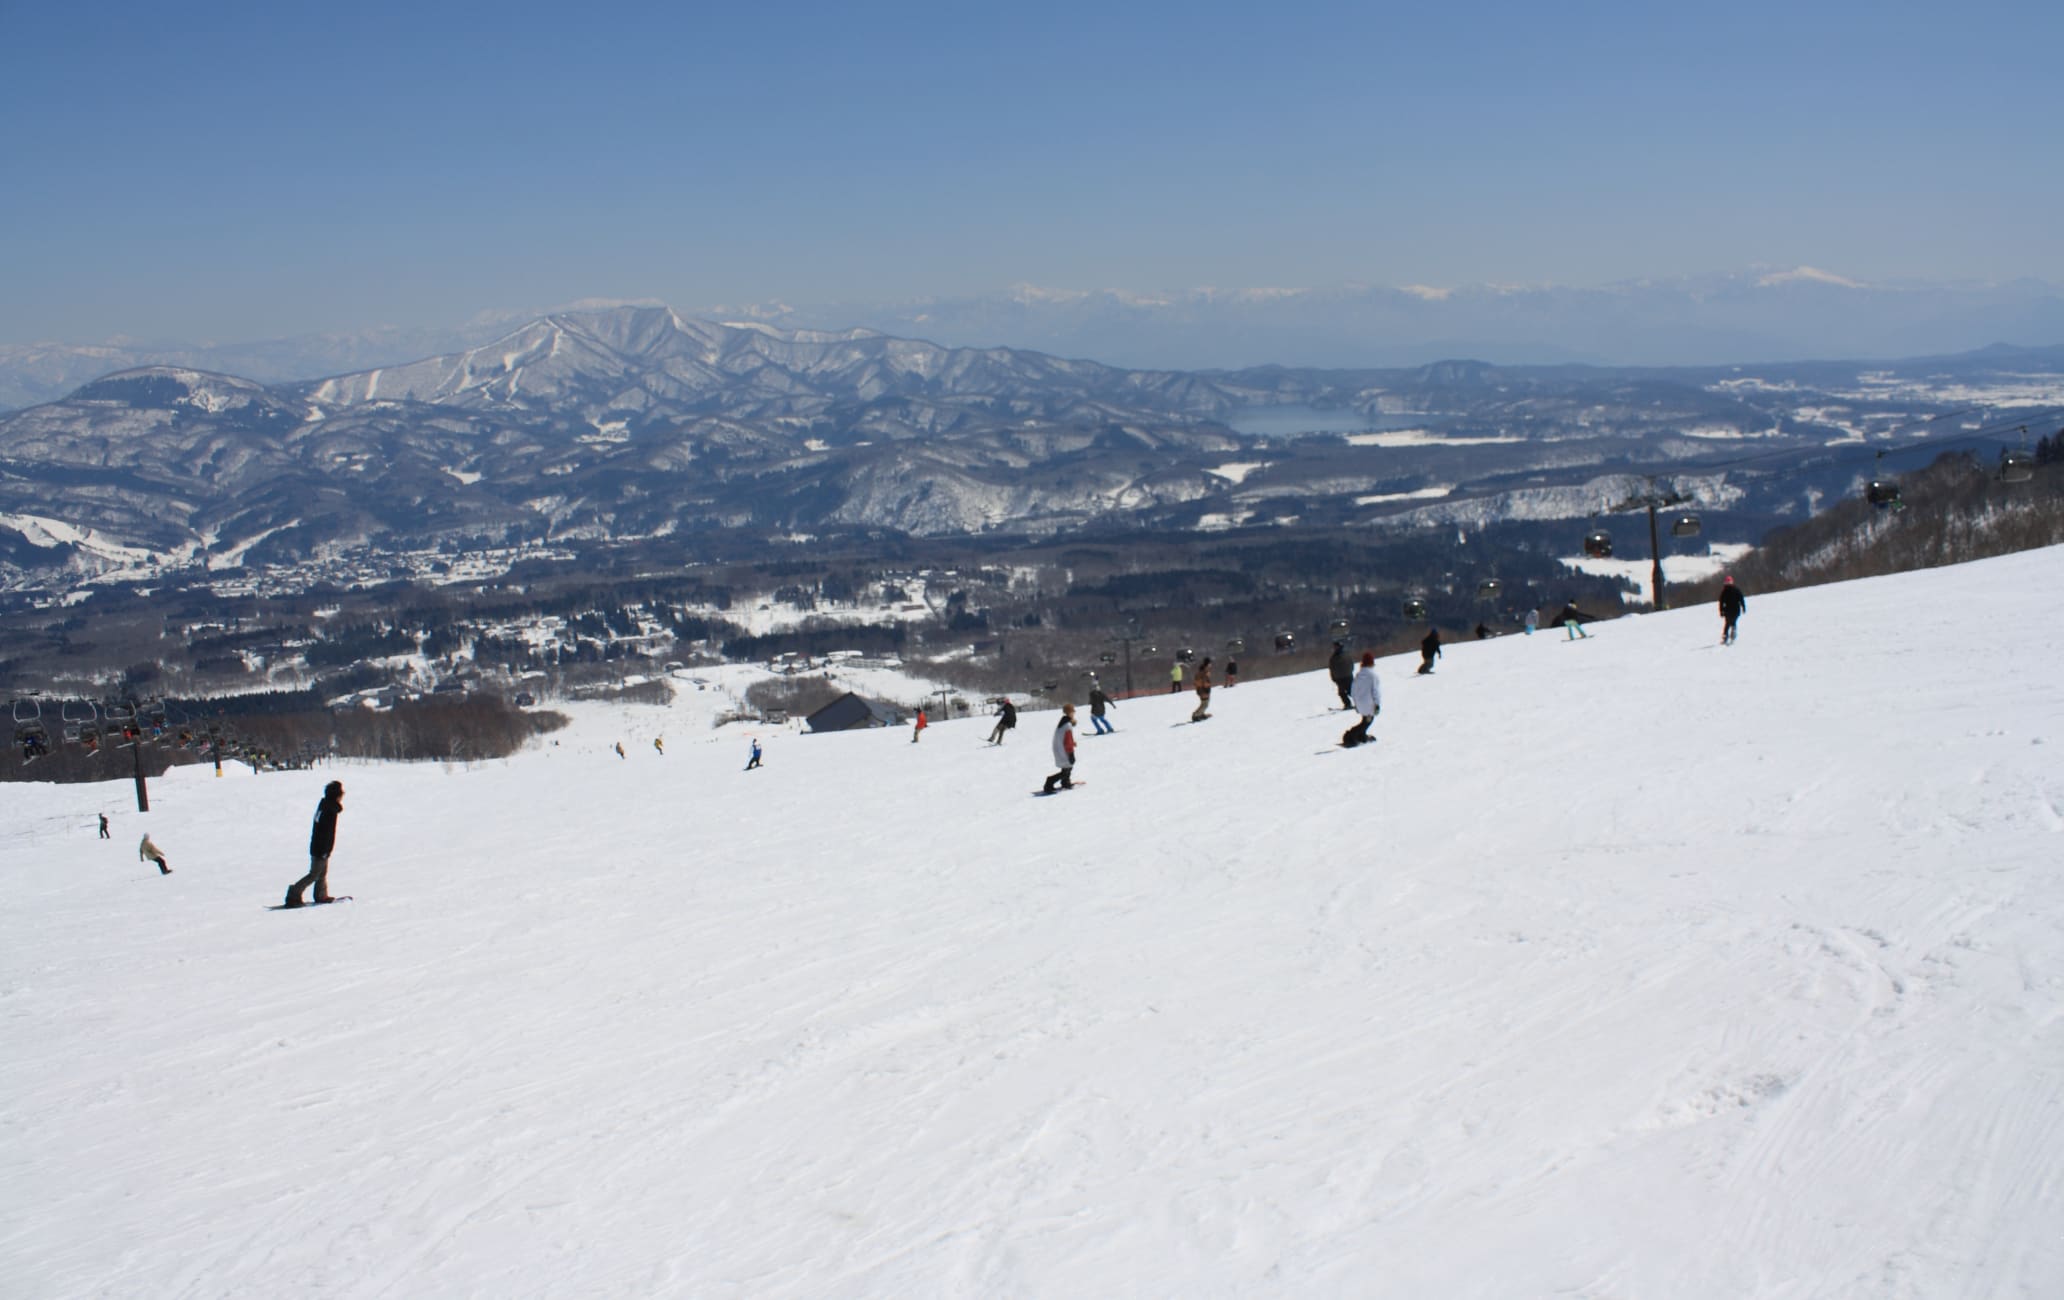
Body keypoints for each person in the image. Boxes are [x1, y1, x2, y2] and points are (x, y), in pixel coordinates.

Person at [285, 780, 345, 907]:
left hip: (320, 846)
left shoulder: (325, 806)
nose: (342, 797)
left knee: (322, 872)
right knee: (314, 874)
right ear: (336, 795)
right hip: (320, 847)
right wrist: (324, 850)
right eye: (341, 794)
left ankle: (321, 895)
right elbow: (325, 832)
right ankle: (293, 894)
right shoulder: (330, 810)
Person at [1342, 651, 1382, 746]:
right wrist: (1377, 704)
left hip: (1360, 704)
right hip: (1370, 704)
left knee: (1365, 720)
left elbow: (1353, 691)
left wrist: (1356, 703)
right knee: (1367, 722)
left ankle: (1361, 736)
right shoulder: (1373, 676)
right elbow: (1376, 692)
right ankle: (1350, 736)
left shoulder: (1358, 675)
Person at [1043, 704, 1078, 792]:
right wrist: (1071, 754)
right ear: (1070, 713)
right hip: (1064, 750)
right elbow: (1067, 741)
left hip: (1059, 748)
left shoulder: (1063, 723)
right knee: (1067, 768)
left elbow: (1064, 738)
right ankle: (1049, 782)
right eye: (1073, 711)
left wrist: (1072, 743)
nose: (1074, 713)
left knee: (1066, 767)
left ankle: (1065, 782)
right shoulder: (1067, 725)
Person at [1719, 575, 1747, 645]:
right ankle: (1733, 634)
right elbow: (1741, 599)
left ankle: (1725, 637)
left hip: (1727, 610)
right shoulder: (1736, 590)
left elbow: (1721, 602)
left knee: (1727, 623)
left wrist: (1721, 611)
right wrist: (1743, 607)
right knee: (1733, 622)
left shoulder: (1724, 591)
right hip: (1736, 610)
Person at [1328, 641, 1354, 709]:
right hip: (1343, 677)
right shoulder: (1345, 655)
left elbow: (1332, 668)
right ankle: (1349, 704)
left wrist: (1333, 677)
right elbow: (1332, 668)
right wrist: (1333, 677)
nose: (1334, 648)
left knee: (1349, 692)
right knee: (1344, 692)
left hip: (1344, 677)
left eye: (1336, 646)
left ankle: (1352, 703)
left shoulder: (1335, 657)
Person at [1191, 656, 1213, 721]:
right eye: (1210, 663)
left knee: (1205, 703)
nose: (1211, 665)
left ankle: (1201, 714)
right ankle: (1196, 715)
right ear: (1208, 664)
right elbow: (1200, 682)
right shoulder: (1203, 672)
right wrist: (1203, 689)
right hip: (1203, 690)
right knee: (1205, 704)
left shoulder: (1205, 671)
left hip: (1204, 689)